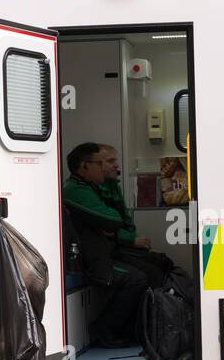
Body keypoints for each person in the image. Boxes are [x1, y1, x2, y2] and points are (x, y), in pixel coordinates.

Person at [62, 142, 148, 348]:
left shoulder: (90, 188)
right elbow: (112, 220)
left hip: (103, 253)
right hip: (92, 260)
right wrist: (108, 225)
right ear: (84, 166)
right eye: (100, 164)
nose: (105, 169)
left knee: (154, 266)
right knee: (137, 279)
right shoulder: (75, 190)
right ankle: (104, 329)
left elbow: (116, 220)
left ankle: (132, 330)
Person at [96, 143, 174, 289]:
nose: (116, 166)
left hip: (122, 244)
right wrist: (131, 240)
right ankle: (152, 309)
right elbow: (106, 227)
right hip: (110, 250)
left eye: (116, 161)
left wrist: (137, 244)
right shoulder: (93, 191)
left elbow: (126, 220)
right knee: (151, 273)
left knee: (164, 262)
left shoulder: (113, 186)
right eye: (110, 162)